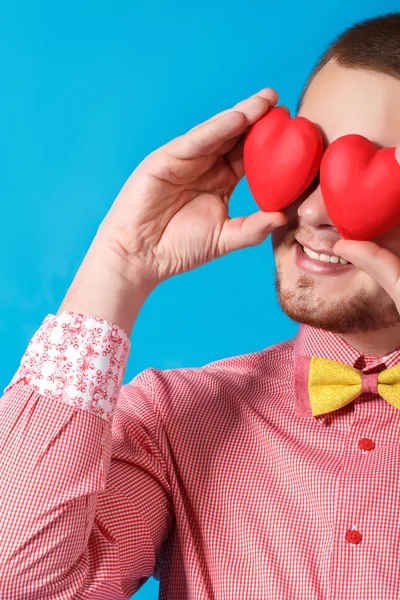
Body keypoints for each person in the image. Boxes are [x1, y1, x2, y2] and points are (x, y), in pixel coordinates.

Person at [2, 11, 400, 600]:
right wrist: (119, 262)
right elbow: (19, 580)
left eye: (383, 172)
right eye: (314, 162)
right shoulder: (175, 421)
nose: (314, 214)